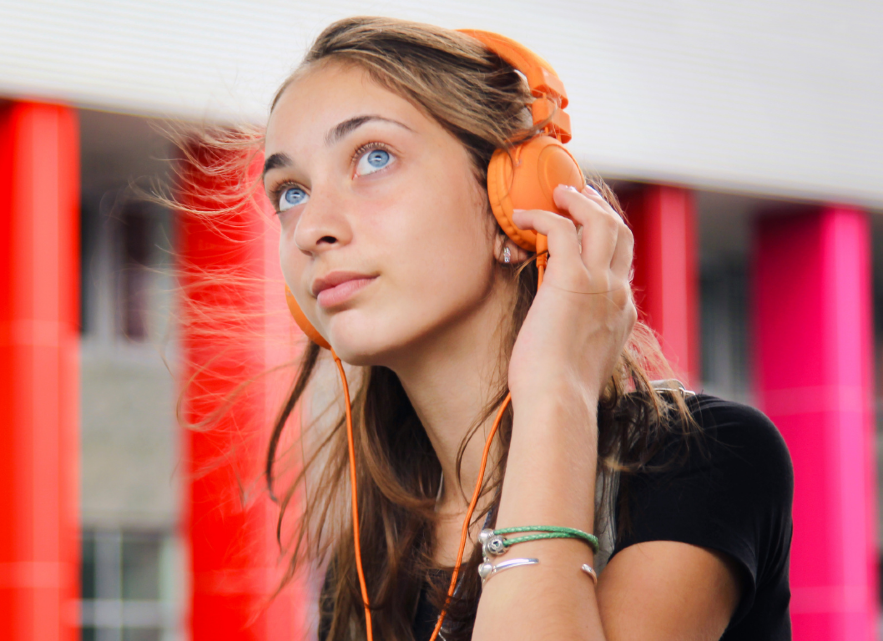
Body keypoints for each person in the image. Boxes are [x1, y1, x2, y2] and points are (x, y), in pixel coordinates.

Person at [186, 16, 792, 641]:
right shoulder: (372, 558)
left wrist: (557, 385)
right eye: (289, 192)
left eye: (374, 157)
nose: (313, 229)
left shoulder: (700, 460)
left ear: (515, 200)